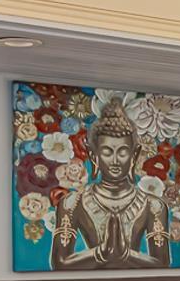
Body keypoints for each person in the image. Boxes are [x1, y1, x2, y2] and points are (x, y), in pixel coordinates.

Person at [52, 98, 170, 269]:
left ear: (134, 155)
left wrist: (126, 255)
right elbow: (60, 263)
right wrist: (101, 253)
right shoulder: (72, 203)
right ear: (94, 156)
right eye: (107, 152)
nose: (115, 161)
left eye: (122, 152)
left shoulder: (154, 206)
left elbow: (162, 263)